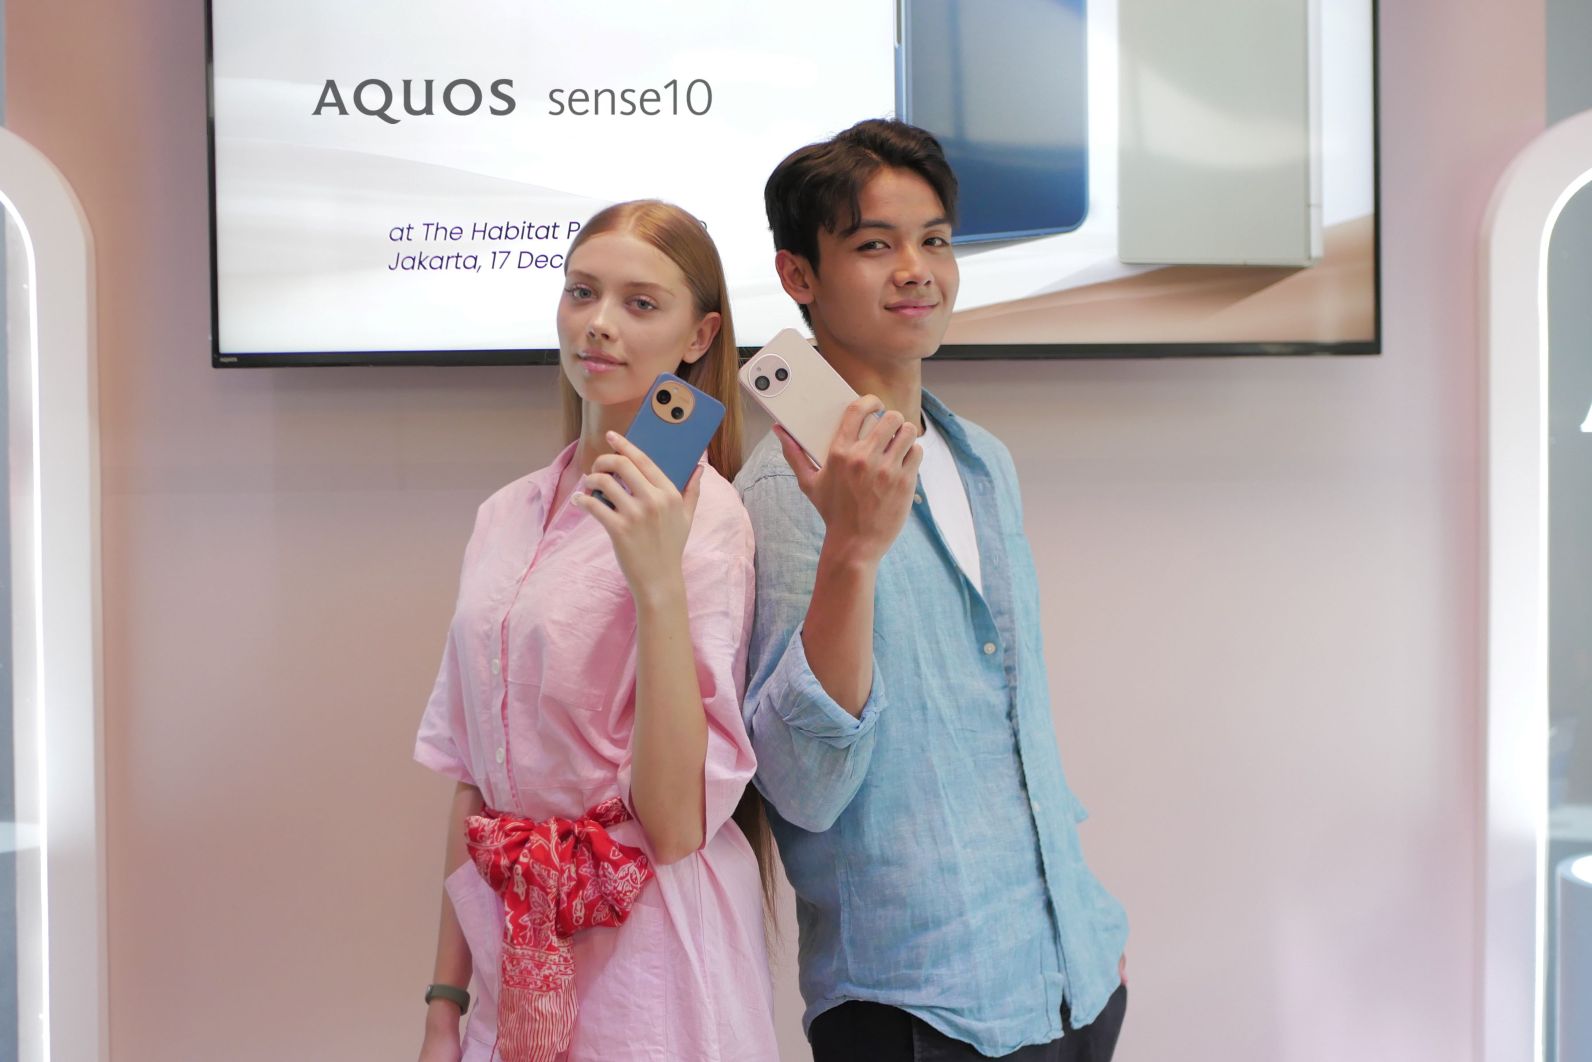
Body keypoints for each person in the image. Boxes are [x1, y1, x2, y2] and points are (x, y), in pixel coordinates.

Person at [737, 119, 1130, 1061]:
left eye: (936, 241)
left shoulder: (979, 459)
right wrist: (851, 550)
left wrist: (1083, 923)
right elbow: (801, 786)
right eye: (875, 246)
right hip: (918, 1008)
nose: (916, 271)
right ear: (798, 276)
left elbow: (1008, 722)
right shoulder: (779, 491)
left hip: (1071, 980)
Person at [414, 200, 778, 1062]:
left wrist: (656, 581)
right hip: (515, 950)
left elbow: (675, 823)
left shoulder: (708, 521)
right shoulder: (504, 515)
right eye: (582, 292)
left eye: (640, 303)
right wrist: (444, 1005)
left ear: (700, 335)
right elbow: (475, 781)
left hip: (652, 957)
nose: (599, 323)